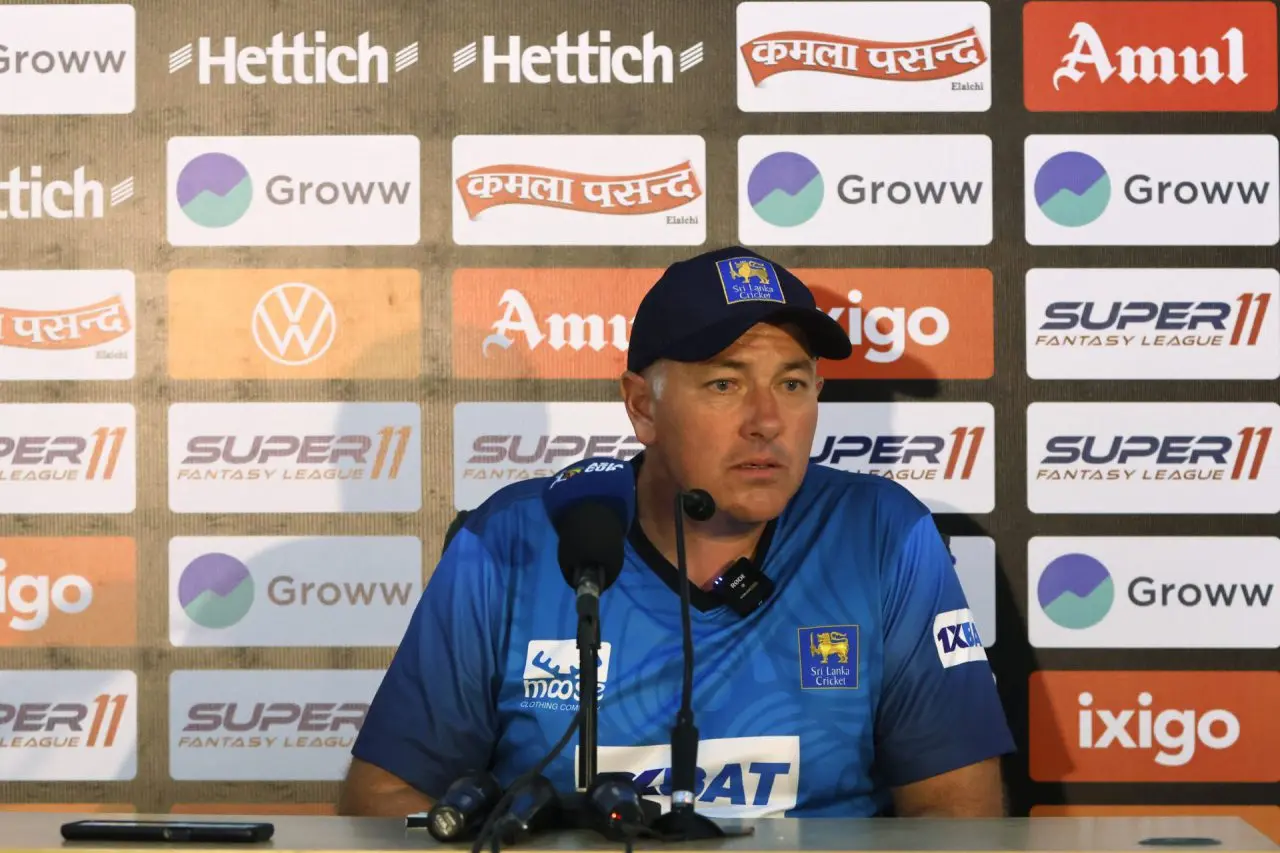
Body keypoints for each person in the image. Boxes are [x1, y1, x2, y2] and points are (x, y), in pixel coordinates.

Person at [338, 246, 1015, 819]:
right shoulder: (509, 542)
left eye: (792, 384)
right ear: (642, 406)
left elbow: (957, 808)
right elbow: (387, 795)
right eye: (724, 384)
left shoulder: (882, 535)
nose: (767, 421)